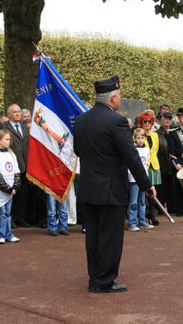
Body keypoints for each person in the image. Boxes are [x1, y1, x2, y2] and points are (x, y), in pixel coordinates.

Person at [73, 75, 155, 293]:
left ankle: (95, 278)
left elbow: (77, 151)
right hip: (111, 189)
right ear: (113, 98)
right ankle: (105, 280)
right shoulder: (116, 121)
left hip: (89, 187)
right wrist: (146, 185)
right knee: (110, 237)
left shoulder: (81, 120)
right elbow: (131, 156)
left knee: (94, 237)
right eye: (118, 96)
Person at [0, 130, 21, 244]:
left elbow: (16, 172)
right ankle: (1, 234)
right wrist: (8, 189)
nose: (9, 142)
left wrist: (15, 187)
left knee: (8, 213)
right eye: (6, 139)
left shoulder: (11, 154)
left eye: (9, 139)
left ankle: (9, 234)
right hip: (1, 191)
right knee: (1, 213)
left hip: (11, 191)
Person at [3, 104, 30, 227]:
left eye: (19, 111)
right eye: (15, 112)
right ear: (9, 115)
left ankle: (20, 217)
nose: (18, 114)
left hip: (25, 166)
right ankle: (11, 218)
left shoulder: (24, 127)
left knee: (23, 193)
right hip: (12, 165)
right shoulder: (4, 128)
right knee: (12, 192)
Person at [127, 128, 154, 231]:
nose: (140, 140)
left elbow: (146, 164)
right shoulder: (133, 150)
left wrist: (146, 178)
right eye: (138, 138)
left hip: (143, 179)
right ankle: (132, 222)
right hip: (134, 179)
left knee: (142, 201)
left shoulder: (147, 150)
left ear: (145, 138)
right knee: (133, 201)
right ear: (134, 139)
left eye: (142, 138)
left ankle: (142, 221)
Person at [138, 111, 161, 226]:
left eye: (149, 122)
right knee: (143, 193)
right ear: (141, 123)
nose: (147, 124)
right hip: (143, 166)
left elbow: (155, 151)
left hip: (154, 165)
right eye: (145, 122)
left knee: (153, 193)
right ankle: (144, 214)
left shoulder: (156, 135)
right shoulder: (138, 135)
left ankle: (151, 215)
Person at [155, 112, 175, 213]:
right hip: (161, 164)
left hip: (172, 165)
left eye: (169, 119)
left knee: (171, 188)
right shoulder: (156, 134)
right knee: (161, 189)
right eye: (165, 119)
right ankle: (160, 208)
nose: (167, 121)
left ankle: (171, 207)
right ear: (161, 120)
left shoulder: (173, 133)